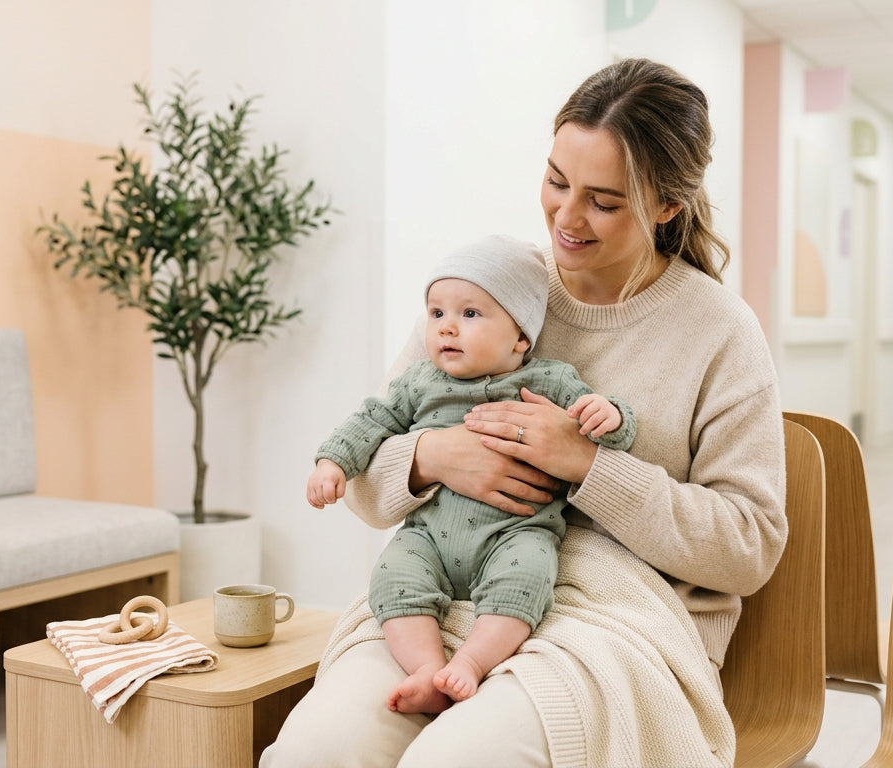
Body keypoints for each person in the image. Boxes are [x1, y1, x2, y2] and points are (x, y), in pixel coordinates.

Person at [264, 57, 786, 768]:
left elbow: (747, 546)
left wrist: (588, 466)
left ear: (668, 206)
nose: (566, 219)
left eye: (604, 201)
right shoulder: (485, 291)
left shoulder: (718, 331)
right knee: (311, 755)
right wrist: (431, 456)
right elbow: (364, 464)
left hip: (610, 618)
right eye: (556, 181)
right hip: (439, 600)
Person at [307, 234, 636, 715]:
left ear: (520, 336)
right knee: (393, 575)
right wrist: (331, 462)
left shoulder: (550, 381)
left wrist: (611, 415)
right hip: (429, 535)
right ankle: (425, 667)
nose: (446, 329)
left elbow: (607, 435)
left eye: (469, 314)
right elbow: (370, 421)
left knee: (528, 577)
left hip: (516, 531)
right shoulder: (420, 382)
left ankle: (473, 662)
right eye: (436, 314)